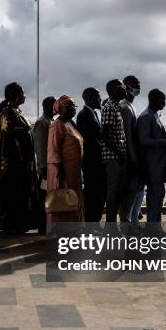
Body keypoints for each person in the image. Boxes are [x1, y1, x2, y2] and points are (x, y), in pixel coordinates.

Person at [0, 82, 37, 233]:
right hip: (14, 162)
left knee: (23, 192)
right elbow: (8, 134)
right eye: (23, 92)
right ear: (17, 95)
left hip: (23, 161)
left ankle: (22, 222)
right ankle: (11, 224)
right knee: (13, 192)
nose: (25, 95)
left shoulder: (17, 111)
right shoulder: (7, 111)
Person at [47, 95, 84, 224]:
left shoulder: (71, 124)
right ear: (61, 108)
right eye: (70, 106)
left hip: (74, 171)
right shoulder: (57, 125)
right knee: (63, 201)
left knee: (74, 200)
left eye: (74, 106)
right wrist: (59, 171)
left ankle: (75, 230)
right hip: (62, 172)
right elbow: (53, 149)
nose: (73, 109)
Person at [136, 89, 166, 227]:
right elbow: (143, 140)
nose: (164, 103)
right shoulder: (146, 117)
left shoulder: (154, 115)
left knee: (157, 198)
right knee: (155, 199)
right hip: (152, 166)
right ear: (153, 99)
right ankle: (153, 230)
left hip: (158, 166)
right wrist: (165, 142)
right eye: (162, 99)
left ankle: (155, 227)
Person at [76, 87, 105, 225]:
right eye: (98, 97)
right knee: (93, 193)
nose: (100, 99)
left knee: (97, 192)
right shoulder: (84, 115)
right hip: (92, 162)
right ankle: (90, 222)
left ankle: (94, 221)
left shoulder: (92, 113)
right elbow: (89, 141)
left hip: (95, 160)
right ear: (90, 98)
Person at [101, 79, 128, 225]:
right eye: (120, 86)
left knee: (118, 192)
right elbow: (105, 134)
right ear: (112, 90)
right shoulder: (109, 108)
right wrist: (118, 153)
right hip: (113, 157)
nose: (124, 88)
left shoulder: (116, 107)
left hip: (118, 156)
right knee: (113, 192)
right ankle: (110, 227)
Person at [120, 75, 143, 226]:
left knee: (137, 191)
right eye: (135, 84)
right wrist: (133, 159)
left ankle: (132, 222)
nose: (137, 87)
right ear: (126, 87)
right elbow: (127, 136)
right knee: (130, 192)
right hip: (130, 158)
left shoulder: (131, 106)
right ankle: (126, 224)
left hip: (134, 157)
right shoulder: (125, 107)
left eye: (138, 84)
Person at [32, 96, 56, 234]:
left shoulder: (50, 121)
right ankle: (43, 227)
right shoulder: (42, 123)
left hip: (50, 167)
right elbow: (40, 147)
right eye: (53, 106)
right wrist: (43, 168)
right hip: (45, 168)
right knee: (44, 198)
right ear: (46, 106)